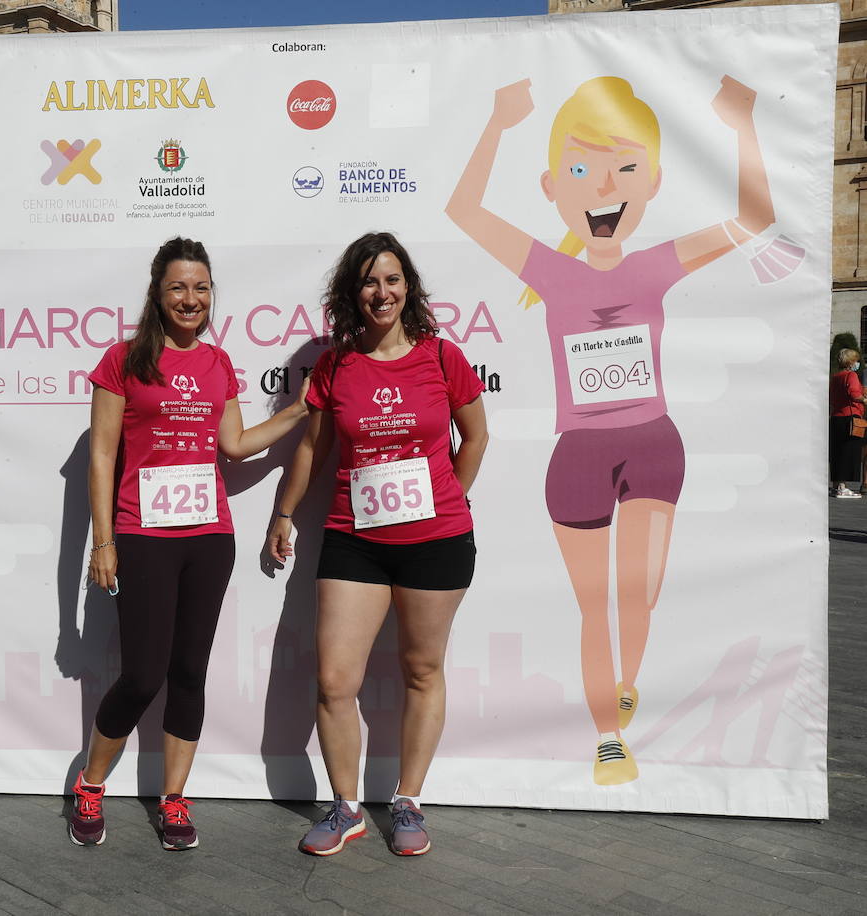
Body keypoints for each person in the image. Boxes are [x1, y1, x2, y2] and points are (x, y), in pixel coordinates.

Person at [445, 75, 775, 785]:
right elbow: (464, 209)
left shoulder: (658, 265)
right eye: (580, 170)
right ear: (551, 185)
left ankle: (626, 678)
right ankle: (607, 737)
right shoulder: (551, 271)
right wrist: (499, 122)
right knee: (594, 603)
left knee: (640, 593)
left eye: (624, 169)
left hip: (654, 445)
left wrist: (741, 126)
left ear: (651, 183)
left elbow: (752, 217)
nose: (602, 188)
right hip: (581, 457)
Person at [74, 237, 309, 850]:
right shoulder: (122, 359)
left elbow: (232, 444)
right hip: (143, 534)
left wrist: (298, 411)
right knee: (143, 674)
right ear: (157, 292)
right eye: (178, 286)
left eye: (201, 287)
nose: (191, 298)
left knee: (188, 672)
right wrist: (104, 542)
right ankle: (90, 784)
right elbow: (101, 454)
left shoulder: (218, 363)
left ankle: (175, 800)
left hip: (209, 539)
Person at [266, 232, 488, 857]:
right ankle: (345, 807)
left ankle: (409, 801)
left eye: (391, 280)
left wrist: (453, 497)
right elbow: (312, 447)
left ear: (408, 287)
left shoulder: (442, 358)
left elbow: (475, 436)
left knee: (422, 669)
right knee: (335, 678)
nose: (381, 292)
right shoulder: (336, 364)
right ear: (352, 293)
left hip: (436, 541)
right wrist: (282, 513)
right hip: (353, 541)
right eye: (369, 281)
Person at [830, 348, 866, 498]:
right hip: (850, 418)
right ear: (850, 362)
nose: (857, 363)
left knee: (838, 452)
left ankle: (836, 486)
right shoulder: (851, 375)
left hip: (837, 417)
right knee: (849, 452)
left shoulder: (836, 376)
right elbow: (854, 394)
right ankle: (843, 488)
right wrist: (864, 400)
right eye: (856, 360)